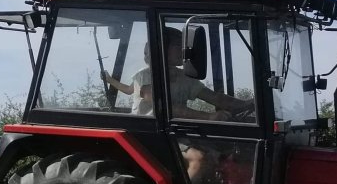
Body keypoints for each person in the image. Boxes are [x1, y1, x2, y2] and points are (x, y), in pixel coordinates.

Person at [103, 27, 252, 120]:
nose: (183, 50)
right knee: (198, 158)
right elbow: (167, 107)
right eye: (177, 45)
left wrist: (248, 104)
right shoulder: (147, 76)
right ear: (161, 48)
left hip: (175, 129)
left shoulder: (185, 77)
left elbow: (215, 98)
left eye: (183, 45)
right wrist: (209, 116)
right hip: (150, 133)